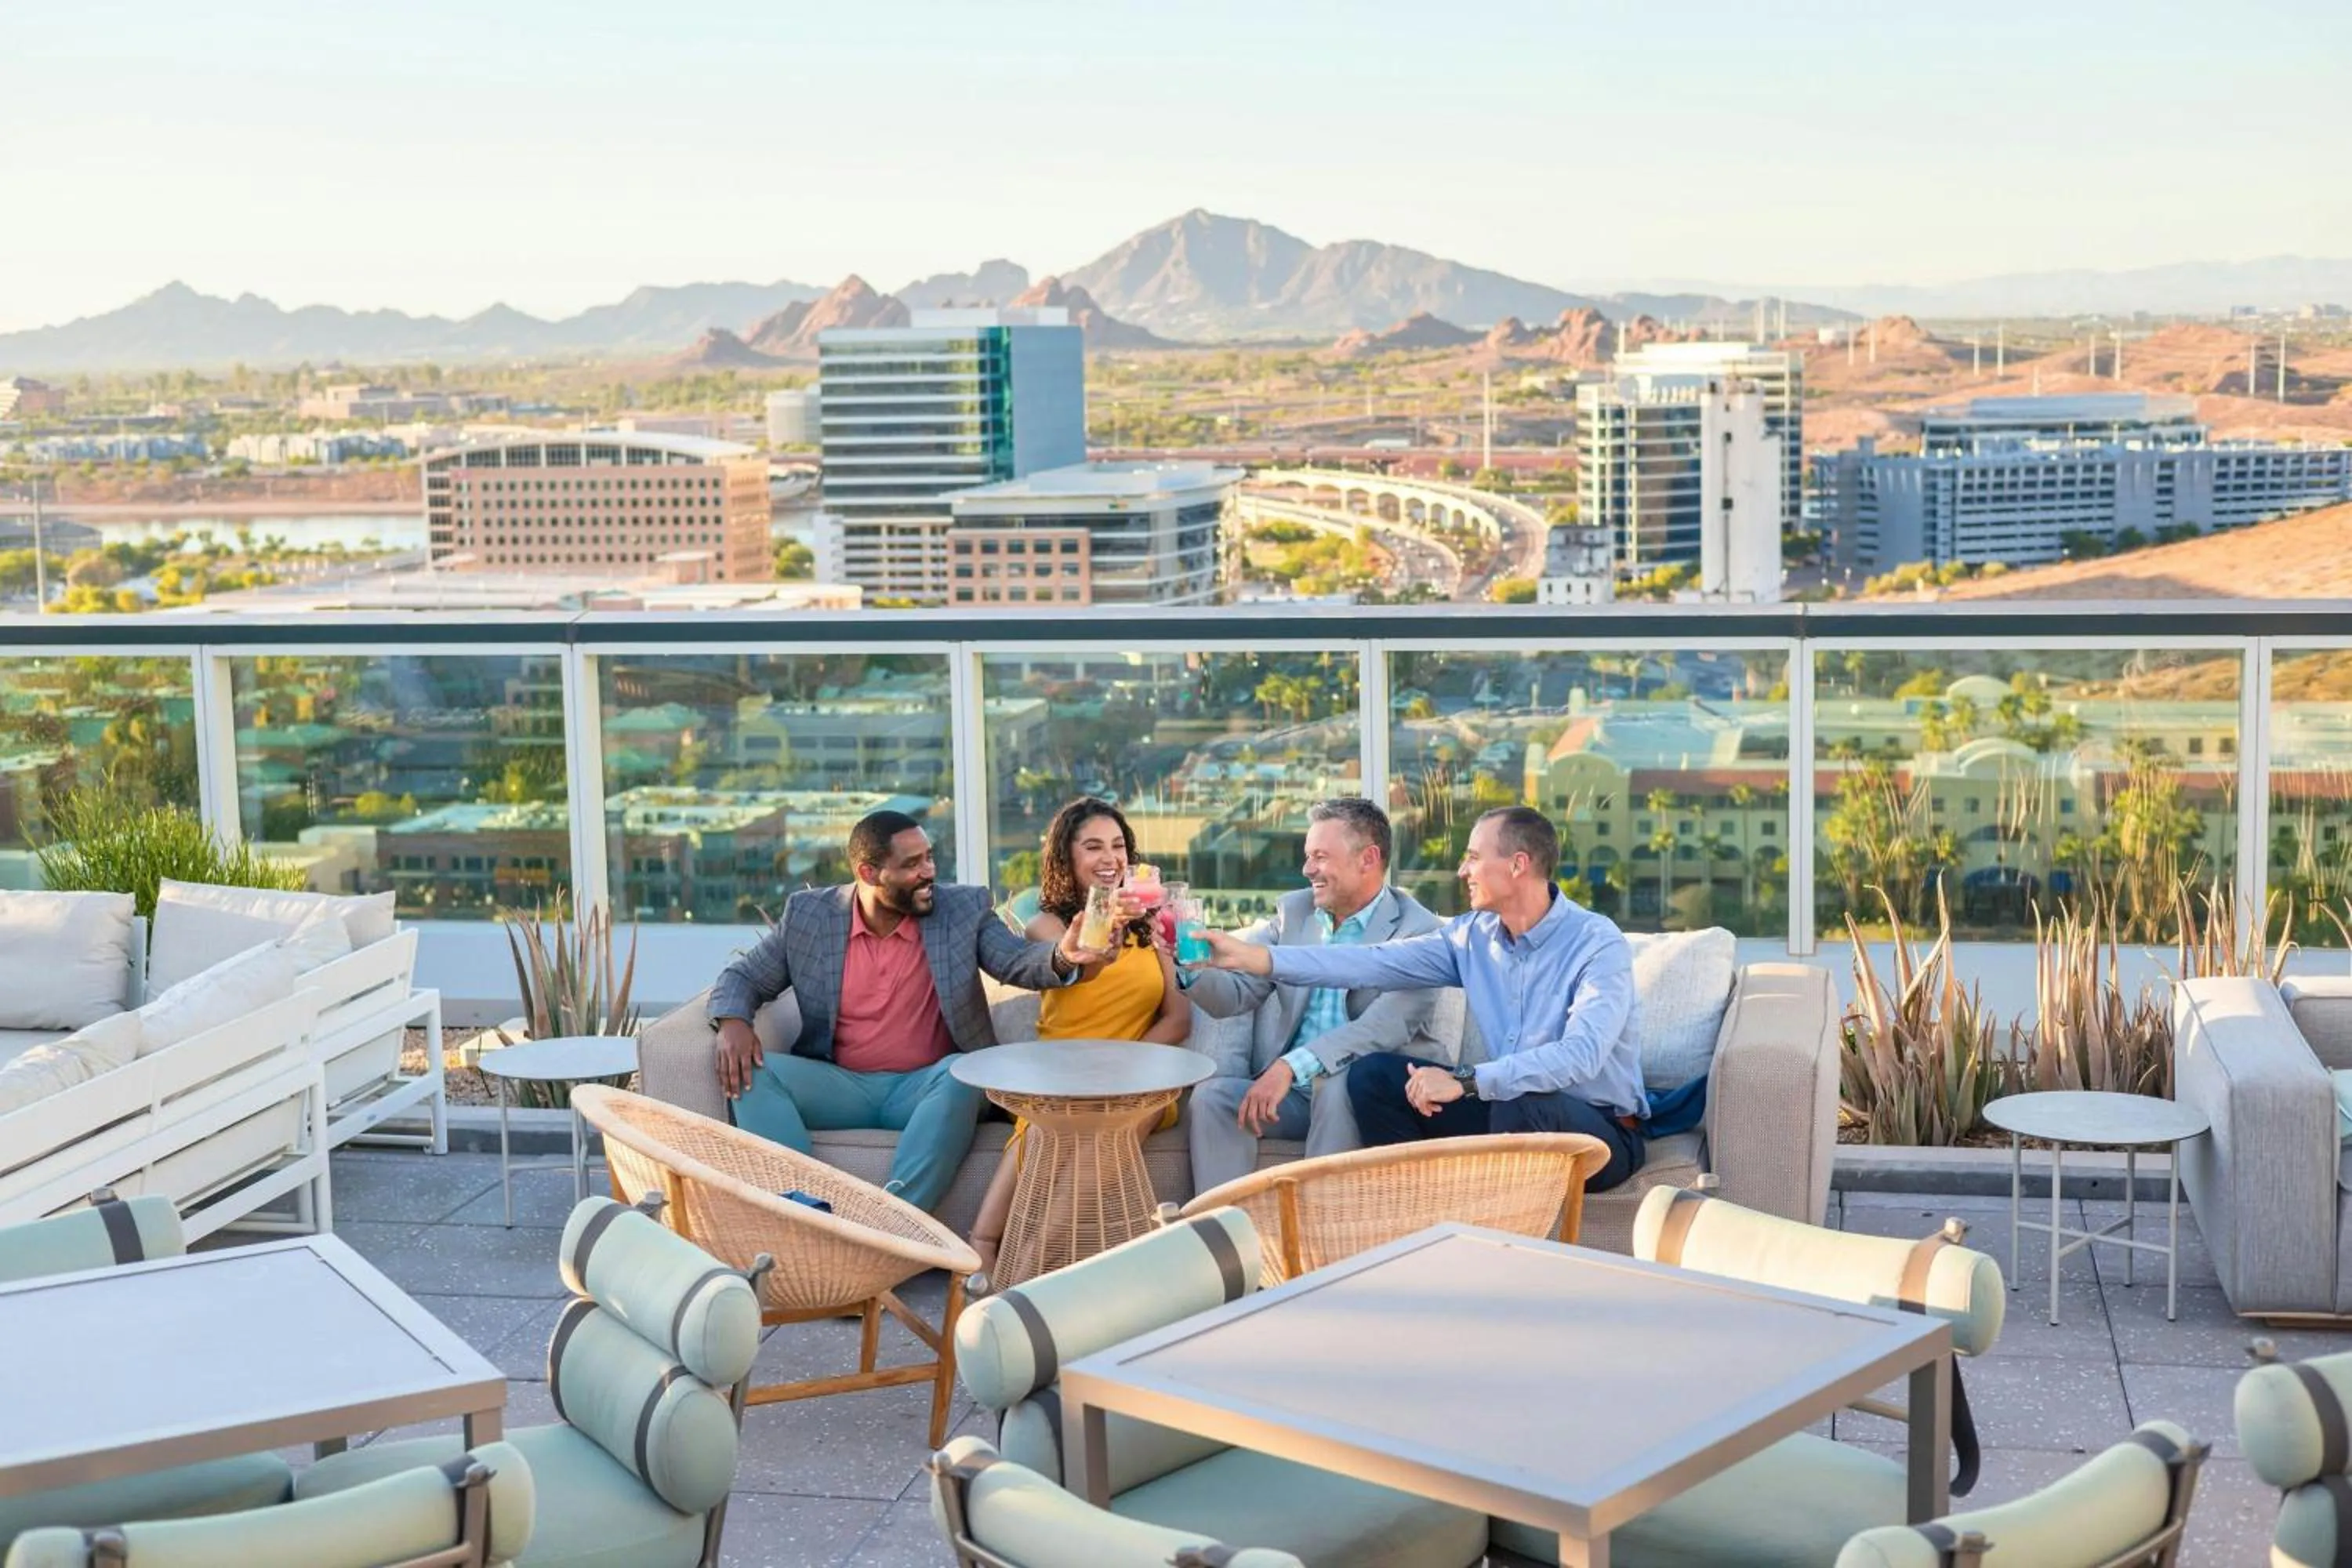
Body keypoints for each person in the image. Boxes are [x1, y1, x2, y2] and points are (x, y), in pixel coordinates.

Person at [1187, 804, 1644, 1191]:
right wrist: (1259, 959)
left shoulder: (1596, 943)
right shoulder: (1471, 937)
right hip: (1507, 1113)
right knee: (1374, 1077)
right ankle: (1409, 1206)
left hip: (1596, 1134)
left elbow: (1580, 1057)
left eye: (1473, 858)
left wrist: (1465, 1081)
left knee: (1521, 1099)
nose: (1462, 870)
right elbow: (1370, 963)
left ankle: (1491, 1245)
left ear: (1518, 864)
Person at [706, 809, 1114, 1213]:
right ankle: (805, 1213)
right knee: (751, 1071)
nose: (929, 871)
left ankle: (894, 1229)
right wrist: (733, 1022)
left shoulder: (961, 910)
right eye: (912, 864)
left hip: (928, 1087)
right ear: (868, 873)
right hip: (840, 1085)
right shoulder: (811, 916)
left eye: (930, 857)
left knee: (963, 1074)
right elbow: (743, 978)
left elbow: (1016, 962)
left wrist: (1064, 955)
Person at [1178, 797, 1457, 1192]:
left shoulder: (1419, 931)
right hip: (1293, 1096)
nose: (1308, 870)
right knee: (1213, 1099)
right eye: (1308, 857)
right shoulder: (1295, 913)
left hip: (1364, 1092)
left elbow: (1382, 1029)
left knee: (1336, 1085)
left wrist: (1289, 1067)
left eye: (1320, 857)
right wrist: (1190, 966)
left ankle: (1316, 1241)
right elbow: (1234, 996)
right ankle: (1227, 1235)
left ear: (1368, 858)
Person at [967, 798, 1189, 1280]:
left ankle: (1026, 1268)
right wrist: (1109, 921)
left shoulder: (1153, 930)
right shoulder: (1048, 928)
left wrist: (1124, 1066)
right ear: (1066, 859)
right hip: (1063, 1076)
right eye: (1093, 847)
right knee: (1051, 1124)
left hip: (1137, 1078)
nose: (1110, 858)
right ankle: (982, 1246)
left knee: (1120, 1120)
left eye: (1118, 847)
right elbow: (1081, 960)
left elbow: (1177, 1019)